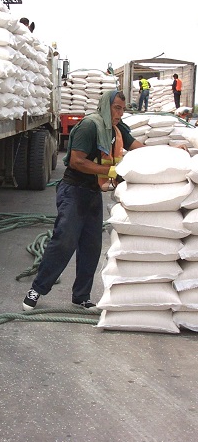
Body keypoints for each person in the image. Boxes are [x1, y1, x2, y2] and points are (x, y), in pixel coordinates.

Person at [22, 90, 144, 312]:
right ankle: (36, 290)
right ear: (105, 106)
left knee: (91, 246)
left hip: (92, 193)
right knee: (64, 241)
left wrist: (169, 152)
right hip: (74, 190)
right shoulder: (90, 126)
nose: (120, 113)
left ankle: (81, 296)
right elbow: (77, 162)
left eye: (123, 109)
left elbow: (137, 147)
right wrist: (112, 170)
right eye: (117, 108)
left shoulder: (117, 129)